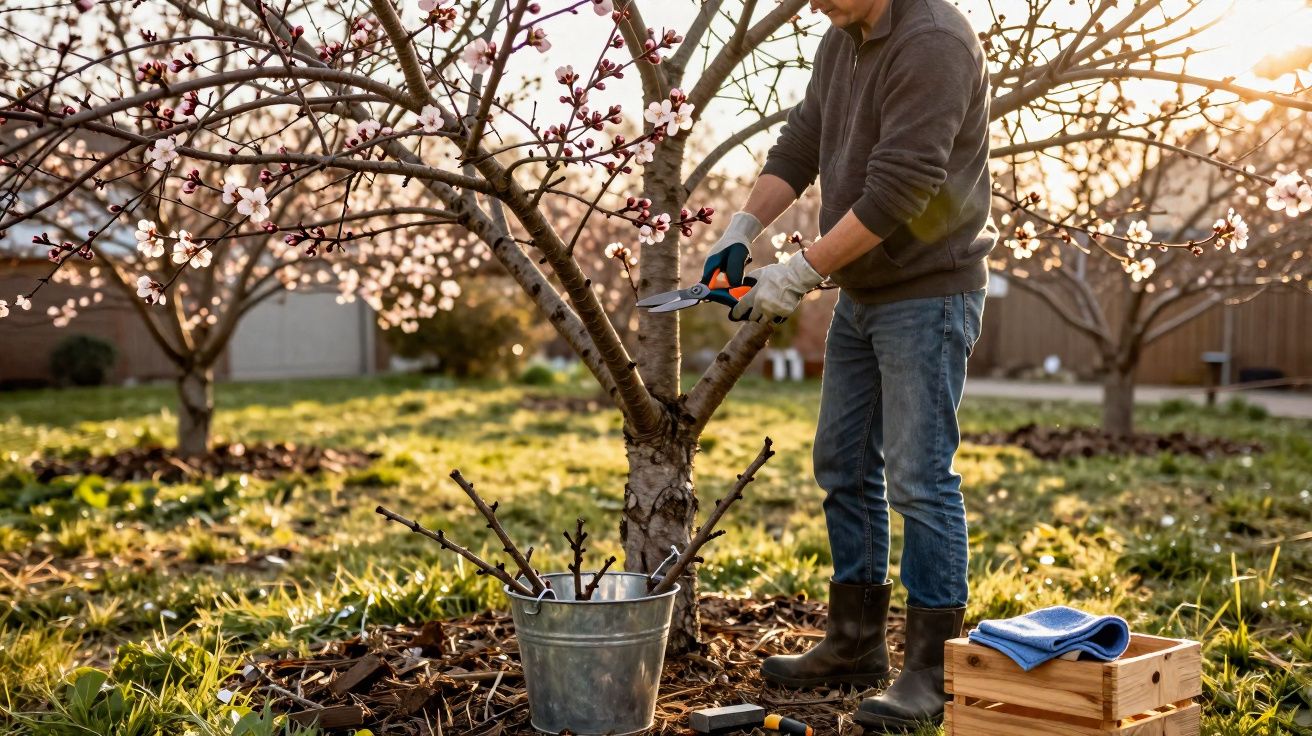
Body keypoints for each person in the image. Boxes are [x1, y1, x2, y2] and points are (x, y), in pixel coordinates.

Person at [701, 0, 996, 729]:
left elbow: (902, 188)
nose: (812, 3)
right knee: (841, 464)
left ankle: (932, 670)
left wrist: (797, 272)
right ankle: (854, 643)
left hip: (929, 294)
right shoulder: (844, 37)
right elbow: (801, 142)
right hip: (864, 293)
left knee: (921, 479)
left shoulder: (933, 41)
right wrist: (743, 230)